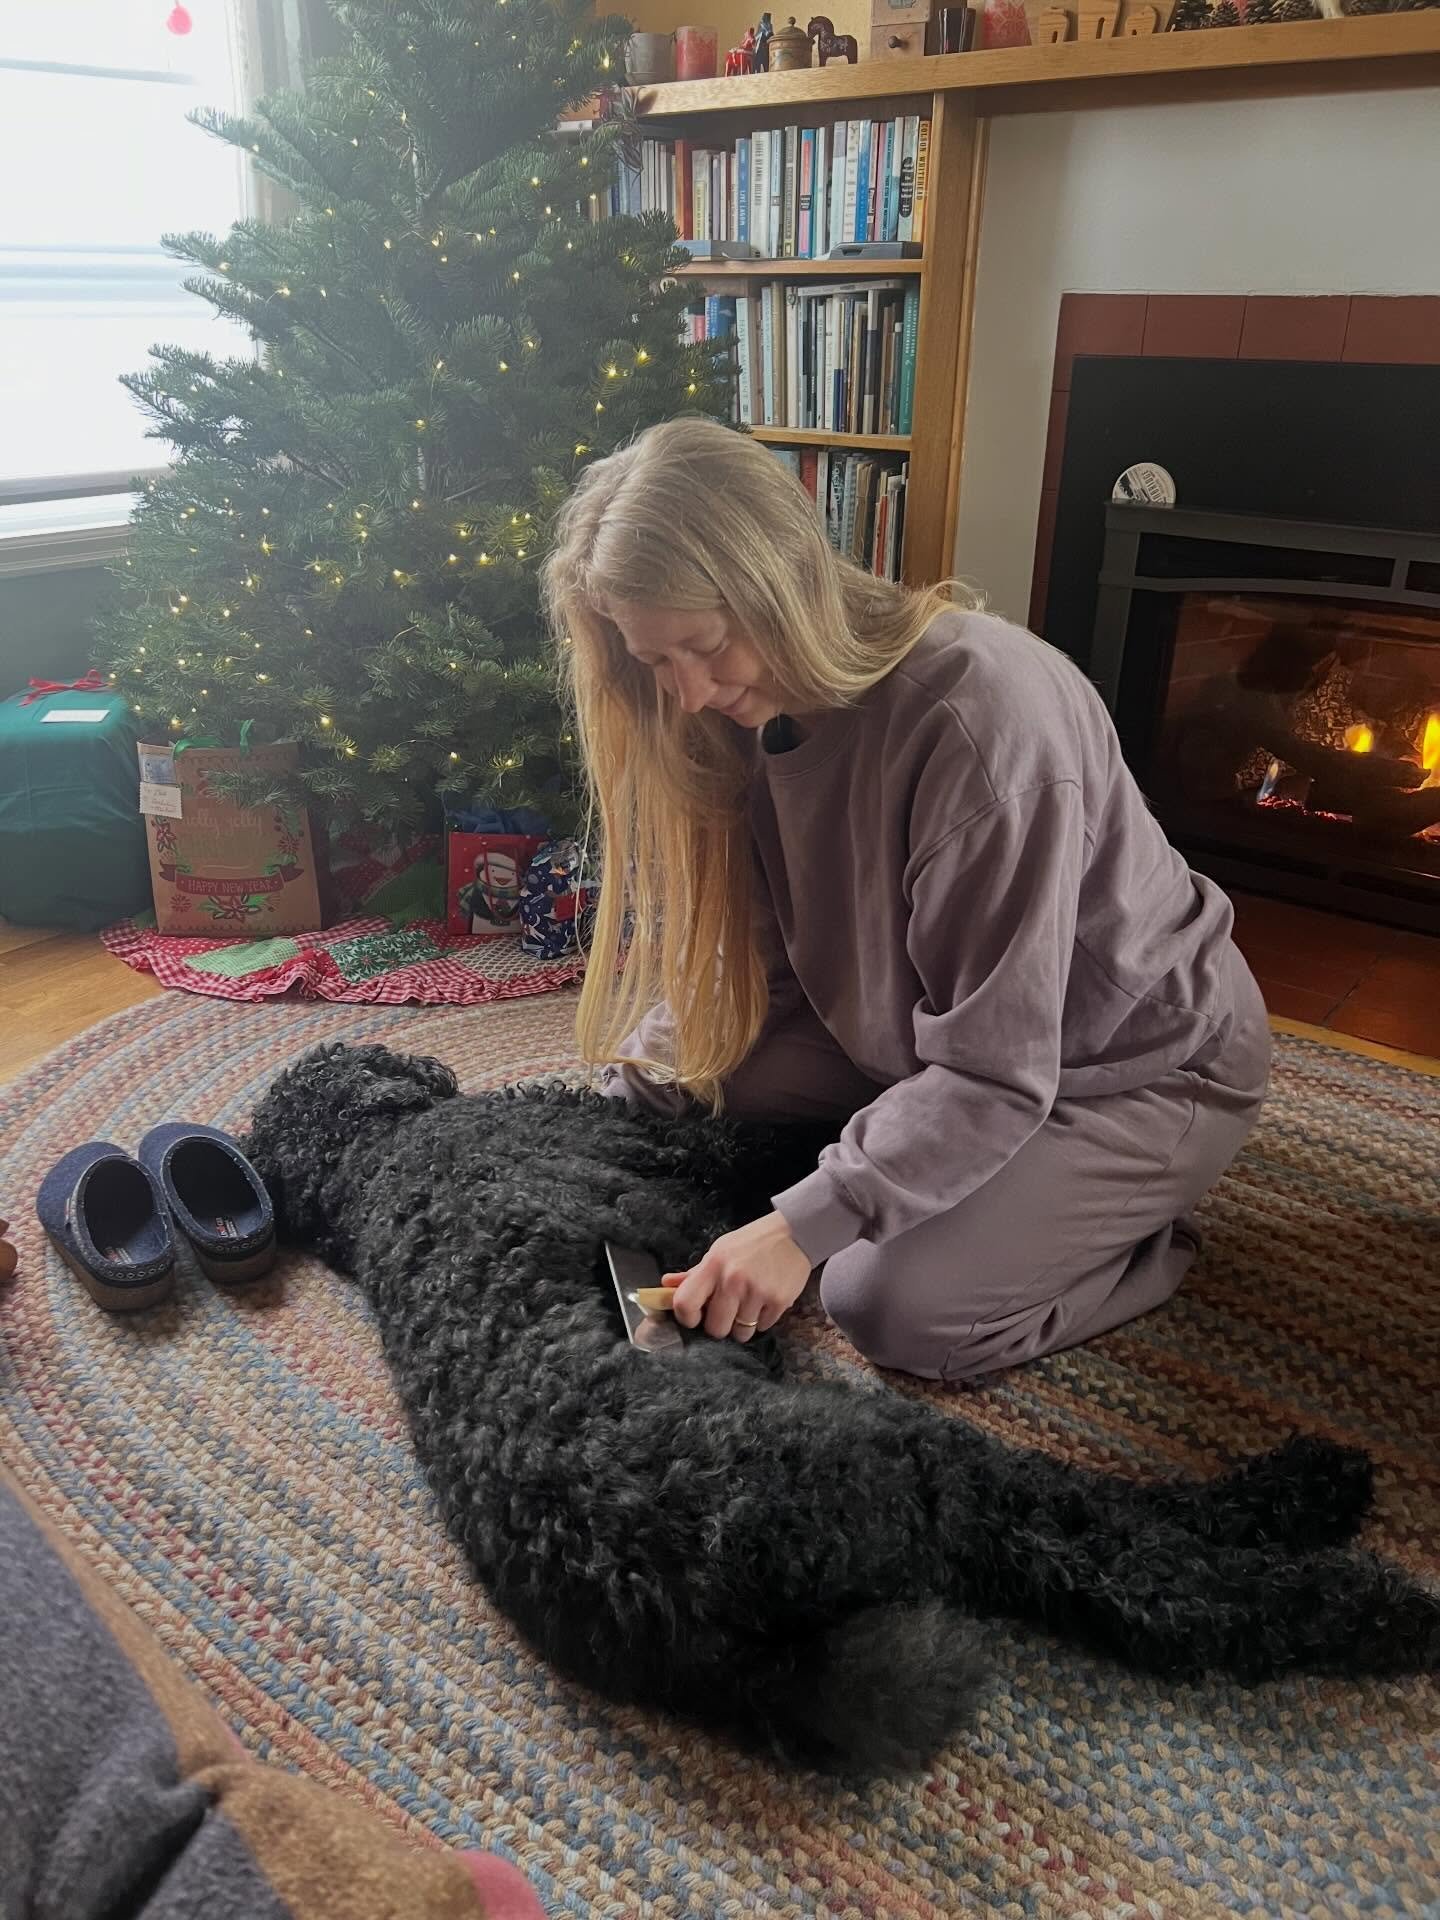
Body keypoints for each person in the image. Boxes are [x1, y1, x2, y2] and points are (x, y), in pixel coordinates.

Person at [541, 419, 1271, 1383]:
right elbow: (755, 969)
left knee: (888, 1304)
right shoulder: (737, 708)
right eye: (654, 662)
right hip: (922, 1036)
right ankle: (954, 1168)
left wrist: (798, 1232)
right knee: (699, 1082)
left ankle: (1137, 1239)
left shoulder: (982, 720)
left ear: (778, 581)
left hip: (1130, 1067)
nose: (685, 692)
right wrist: (631, 1103)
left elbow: (999, 1072)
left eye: (702, 648)